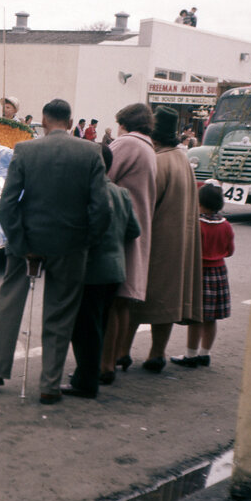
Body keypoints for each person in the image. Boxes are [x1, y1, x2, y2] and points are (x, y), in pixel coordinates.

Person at [0, 98, 110, 404]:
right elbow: (101, 208)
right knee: (60, 313)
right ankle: (49, 384)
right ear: (71, 122)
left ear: (45, 122)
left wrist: (22, 245)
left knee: (9, 302)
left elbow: (7, 204)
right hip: (71, 244)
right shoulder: (91, 152)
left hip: (29, 241)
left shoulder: (26, 149)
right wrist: (85, 241)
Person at [130, 105, 203, 371]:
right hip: (179, 243)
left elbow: (143, 206)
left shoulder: (157, 161)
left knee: (135, 300)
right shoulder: (182, 159)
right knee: (167, 303)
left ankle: (120, 352)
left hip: (156, 243)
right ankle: (156, 352)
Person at [65, 144, 140, 398]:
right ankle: (88, 374)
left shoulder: (89, 193)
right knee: (99, 324)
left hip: (92, 270)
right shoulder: (122, 193)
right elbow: (134, 231)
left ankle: (85, 381)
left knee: (84, 328)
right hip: (115, 269)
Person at [99, 103, 156, 382]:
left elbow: (102, 174)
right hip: (138, 227)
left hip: (119, 230)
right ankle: (118, 354)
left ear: (124, 123)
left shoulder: (127, 144)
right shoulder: (148, 147)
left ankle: (105, 364)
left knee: (111, 302)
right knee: (122, 301)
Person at [171, 183, 234, 369]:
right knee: (211, 317)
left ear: (199, 202)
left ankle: (190, 355)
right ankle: (205, 353)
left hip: (200, 272)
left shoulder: (197, 224)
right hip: (219, 271)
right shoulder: (226, 225)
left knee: (196, 316)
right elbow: (230, 251)